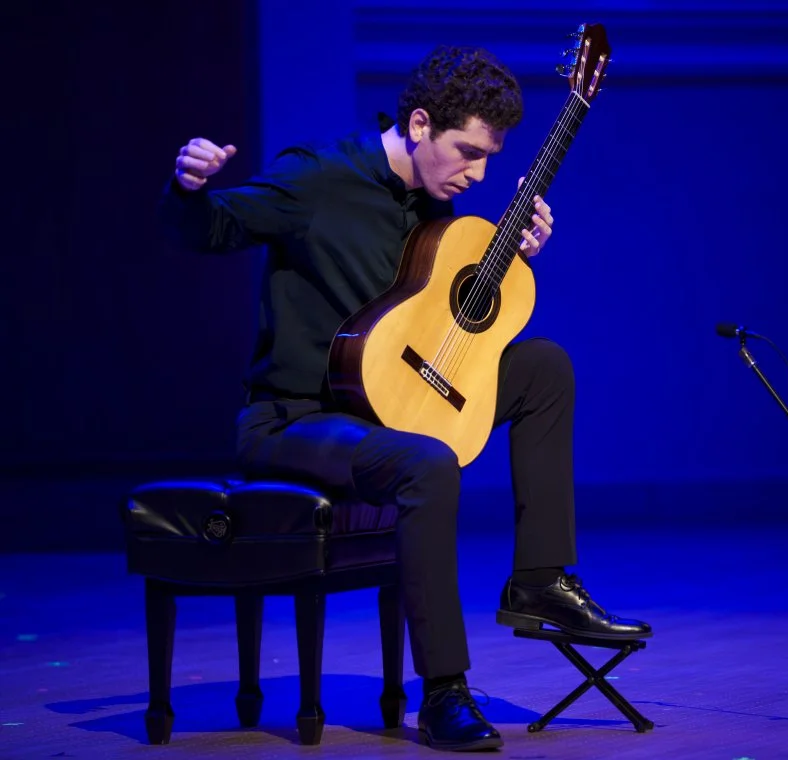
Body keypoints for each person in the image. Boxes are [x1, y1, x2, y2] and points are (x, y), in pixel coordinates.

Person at [157, 45, 650, 752]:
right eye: (466, 152)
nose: (477, 173)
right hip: (296, 418)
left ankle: (540, 580)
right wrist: (188, 185)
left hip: (388, 405)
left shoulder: (433, 206)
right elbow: (209, 229)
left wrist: (513, 254)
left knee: (543, 366)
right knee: (427, 465)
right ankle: (444, 691)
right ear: (420, 123)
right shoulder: (317, 178)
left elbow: (428, 325)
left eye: (488, 157)